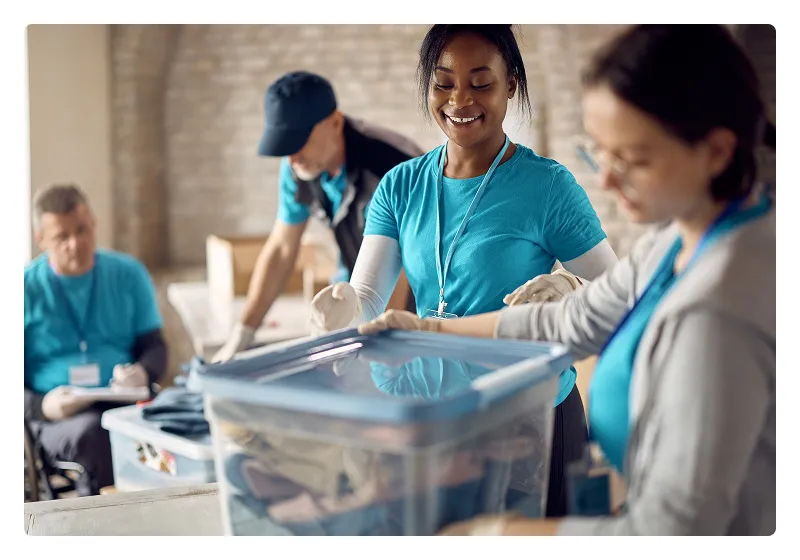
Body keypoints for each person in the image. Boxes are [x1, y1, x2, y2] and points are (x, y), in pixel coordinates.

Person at [361, 24, 776, 536]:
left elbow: (672, 532)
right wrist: (430, 332)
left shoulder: (716, 310)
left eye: (633, 158)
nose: (605, 179)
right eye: (600, 152)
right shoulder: (674, 243)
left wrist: (503, 534)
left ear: (715, 151)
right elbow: (576, 320)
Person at [309, 24, 619, 517]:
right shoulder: (401, 186)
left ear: (511, 84)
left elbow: (618, 296)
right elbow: (368, 296)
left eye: (481, 82)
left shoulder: (547, 187)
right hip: (429, 413)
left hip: (526, 421)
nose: (460, 100)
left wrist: (572, 285)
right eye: (444, 83)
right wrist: (344, 306)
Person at [212, 71, 425, 363]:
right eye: (283, 146)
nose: (291, 158)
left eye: (299, 142)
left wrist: (378, 344)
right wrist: (244, 333)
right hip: (356, 295)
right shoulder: (298, 170)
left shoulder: (393, 163)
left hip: (418, 300)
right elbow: (281, 249)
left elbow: (406, 261)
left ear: (335, 122)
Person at [24, 184, 168, 496]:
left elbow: (155, 348)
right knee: (95, 433)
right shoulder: (23, 290)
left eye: (82, 230)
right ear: (41, 239)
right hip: (58, 418)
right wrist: (42, 406)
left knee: (179, 422)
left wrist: (143, 371)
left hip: (123, 402)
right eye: (62, 237)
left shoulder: (129, 274)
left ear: (94, 223)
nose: (76, 244)